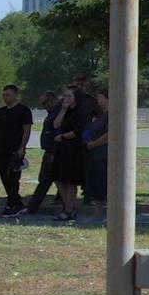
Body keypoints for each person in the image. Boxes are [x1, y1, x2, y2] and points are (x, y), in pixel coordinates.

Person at [0, 85, 35, 217]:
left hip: (15, 150)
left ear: (16, 95)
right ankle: (16, 204)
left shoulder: (23, 110)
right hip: (0, 150)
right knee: (4, 177)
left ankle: (12, 205)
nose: (5, 97)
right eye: (4, 95)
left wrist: (22, 148)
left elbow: (26, 130)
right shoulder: (0, 112)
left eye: (8, 95)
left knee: (13, 178)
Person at [48, 87, 91, 222]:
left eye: (69, 96)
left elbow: (78, 131)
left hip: (74, 148)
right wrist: (63, 109)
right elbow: (56, 125)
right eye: (64, 96)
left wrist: (63, 136)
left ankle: (69, 209)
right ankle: (68, 207)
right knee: (58, 178)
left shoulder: (80, 112)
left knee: (71, 181)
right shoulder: (64, 111)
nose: (65, 98)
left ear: (75, 98)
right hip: (61, 148)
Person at [22, 91, 63, 214]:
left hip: (55, 151)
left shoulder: (60, 112)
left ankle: (67, 207)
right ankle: (33, 207)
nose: (44, 106)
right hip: (49, 150)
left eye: (45, 103)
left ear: (53, 99)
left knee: (58, 181)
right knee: (45, 180)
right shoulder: (52, 113)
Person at [83, 87, 112, 208]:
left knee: (102, 182)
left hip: (104, 154)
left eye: (100, 97)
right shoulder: (100, 115)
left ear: (107, 98)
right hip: (95, 154)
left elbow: (109, 134)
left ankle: (104, 212)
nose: (97, 100)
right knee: (95, 183)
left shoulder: (111, 115)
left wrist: (94, 143)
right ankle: (97, 211)